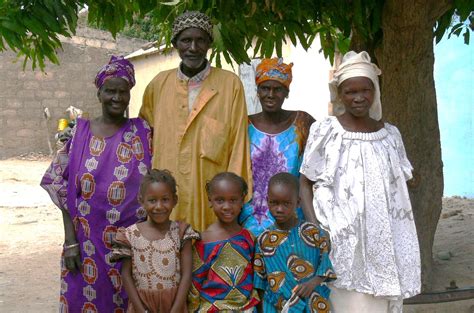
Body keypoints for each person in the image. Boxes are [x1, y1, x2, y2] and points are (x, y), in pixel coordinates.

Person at [299, 51, 421, 312]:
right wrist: (316, 227)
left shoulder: (389, 135)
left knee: (378, 300)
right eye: (350, 91)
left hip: (382, 237)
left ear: (374, 91)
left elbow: (402, 180)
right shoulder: (326, 131)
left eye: (365, 90)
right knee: (346, 299)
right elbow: (305, 182)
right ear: (340, 94)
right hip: (341, 236)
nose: (358, 97)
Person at [40, 56, 152, 312]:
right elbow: (60, 186)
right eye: (110, 91)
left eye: (122, 91)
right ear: (99, 92)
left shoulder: (143, 132)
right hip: (86, 246)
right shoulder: (80, 134)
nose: (116, 97)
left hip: (131, 248)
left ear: (130, 94)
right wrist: (70, 242)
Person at [139, 11, 252, 231]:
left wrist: (232, 201)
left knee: (208, 256)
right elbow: (143, 139)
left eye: (200, 40)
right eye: (186, 40)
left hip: (212, 199)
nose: (193, 47)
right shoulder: (158, 85)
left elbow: (239, 145)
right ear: (175, 43)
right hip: (166, 198)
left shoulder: (230, 85)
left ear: (209, 43)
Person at [239, 58, 315, 236]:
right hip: (249, 226)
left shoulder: (303, 124)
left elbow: (313, 174)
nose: (270, 94)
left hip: (292, 225)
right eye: (265, 88)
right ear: (257, 91)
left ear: (287, 92)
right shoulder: (244, 125)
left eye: (278, 89)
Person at [112, 169, 199, 312]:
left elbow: (187, 274)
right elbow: (126, 275)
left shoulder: (182, 233)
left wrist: (176, 310)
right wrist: (140, 310)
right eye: (152, 200)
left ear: (174, 200)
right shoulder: (130, 235)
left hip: (175, 304)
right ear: (141, 201)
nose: (159, 206)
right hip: (142, 305)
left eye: (165, 199)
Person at [253, 172, 336, 312]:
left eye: (286, 203)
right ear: (267, 201)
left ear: (298, 202)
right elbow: (260, 282)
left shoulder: (313, 233)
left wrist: (311, 284)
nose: (279, 209)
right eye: (274, 203)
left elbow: (325, 268)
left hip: (312, 304)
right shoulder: (263, 239)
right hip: (277, 307)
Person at [188, 172, 260, 312]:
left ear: (242, 200)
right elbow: (194, 284)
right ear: (210, 201)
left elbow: (256, 277)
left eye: (233, 200)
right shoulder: (204, 241)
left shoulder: (249, 237)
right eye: (220, 200)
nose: (226, 207)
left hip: (246, 308)